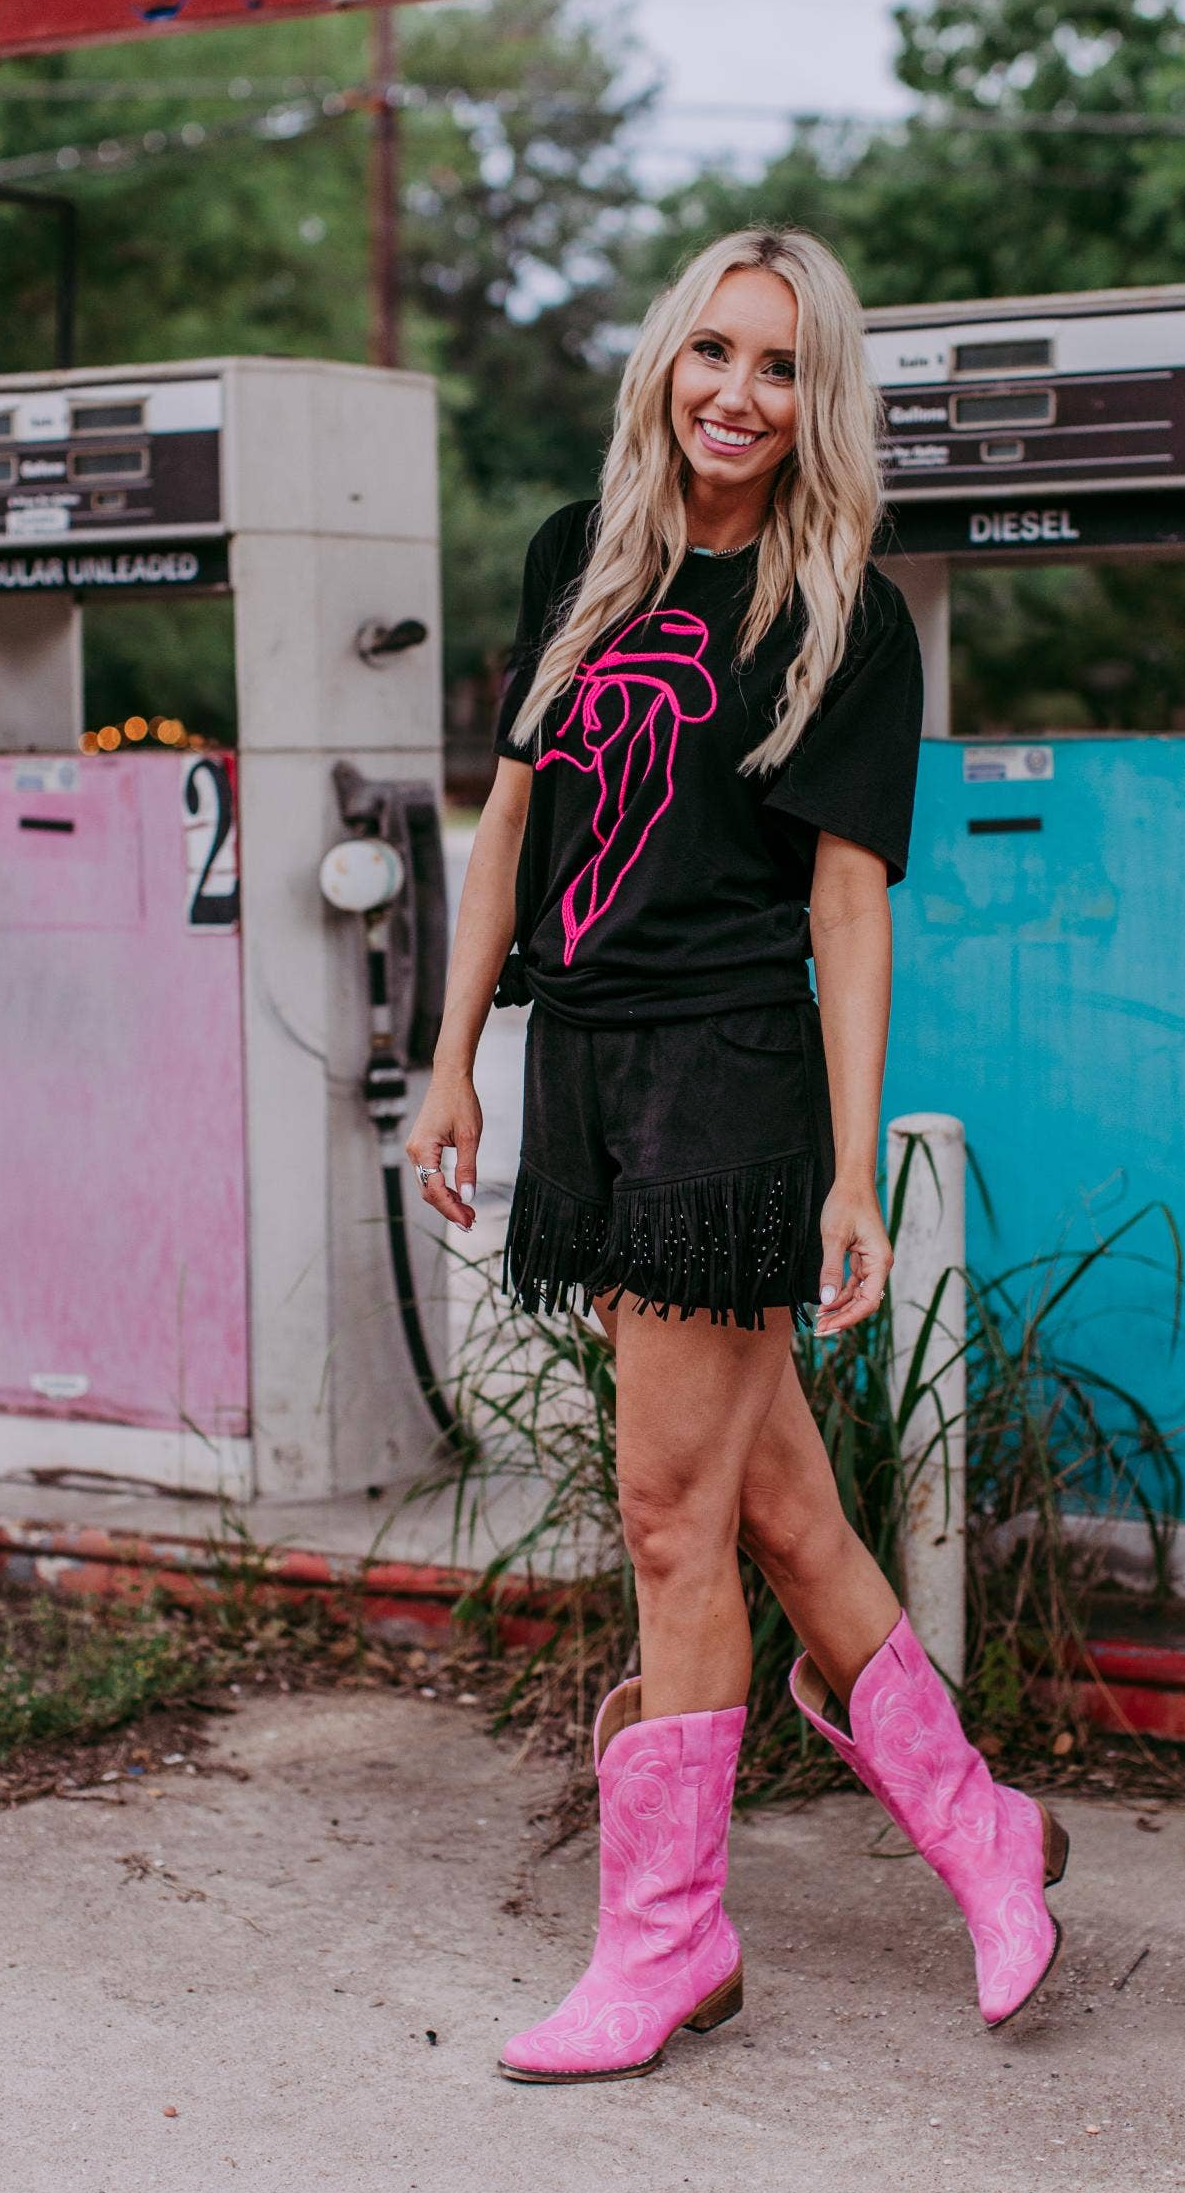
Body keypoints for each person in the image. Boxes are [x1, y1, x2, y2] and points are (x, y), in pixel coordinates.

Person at [406, 225, 1066, 2085]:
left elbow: (849, 910)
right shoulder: (580, 560)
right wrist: (454, 1059)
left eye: (779, 367)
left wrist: (851, 1172)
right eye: (713, 351)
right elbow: (510, 827)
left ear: (817, 397)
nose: (736, 395)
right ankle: (984, 1834)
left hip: (727, 1082)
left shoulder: (843, 613)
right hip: (587, 1075)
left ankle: (669, 1941)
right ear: (665, 361)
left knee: (670, 1521)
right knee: (777, 1510)